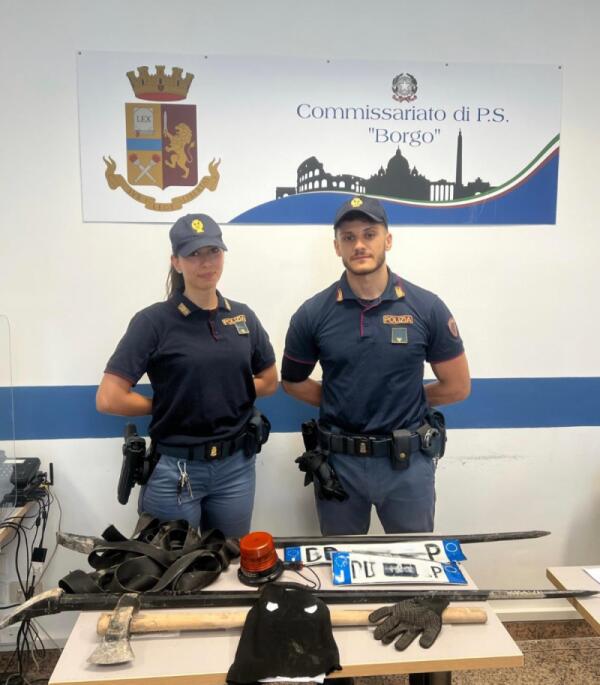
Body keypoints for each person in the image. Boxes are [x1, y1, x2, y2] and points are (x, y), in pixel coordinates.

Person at [281, 196, 470, 535]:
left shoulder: (427, 308)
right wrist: (342, 399)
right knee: (340, 563)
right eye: (349, 237)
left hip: (407, 466)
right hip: (339, 465)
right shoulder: (312, 313)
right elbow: (292, 381)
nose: (359, 245)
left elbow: (457, 386)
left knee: (413, 562)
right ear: (337, 247)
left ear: (388, 240)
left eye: (369, 234)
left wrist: (405, 399)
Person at [96, 213, 277, 537]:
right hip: (175, 470)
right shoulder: (153, 322)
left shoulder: (242, 316)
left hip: (236, 469)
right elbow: (109, 398)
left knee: (231, 560)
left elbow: (269, 380)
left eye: (213, 251)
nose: (206, 262)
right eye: (193, 254)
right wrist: (171, 403)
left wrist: (221, 391)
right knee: (171, 566)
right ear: (176, 262)